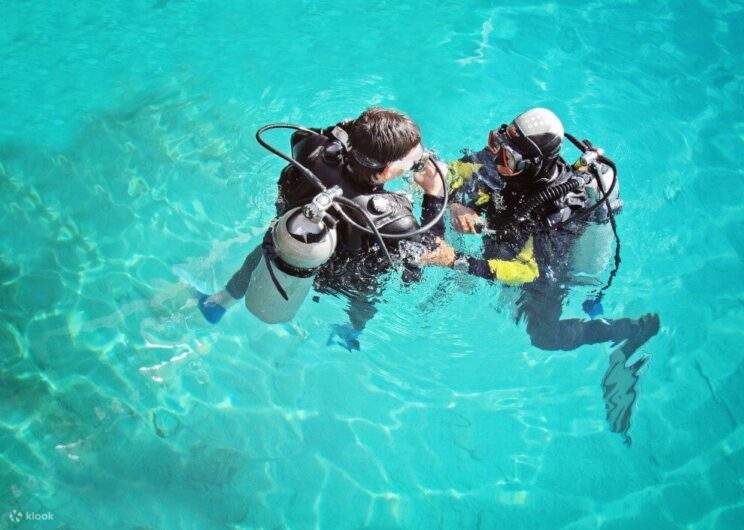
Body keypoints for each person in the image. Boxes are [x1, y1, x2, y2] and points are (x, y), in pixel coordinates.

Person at [420, 107, 659, 442]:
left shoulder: (559, 209)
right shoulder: (498, 159)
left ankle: (629, 331)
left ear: (532, 164)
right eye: (497, 142)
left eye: (509, 157)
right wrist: (457, 204)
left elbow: (527, 272)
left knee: (544, 336)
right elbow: (448, 174)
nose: (497, 158)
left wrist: (456, 260)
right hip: (507, 240)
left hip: (544, 266)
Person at [198, 107, 445, 350]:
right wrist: (434, 194)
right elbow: (428, 252)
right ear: (388, 171)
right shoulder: (394, 219)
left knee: (262, 255)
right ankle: (351, 333)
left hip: (293, 245)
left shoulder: (312, 151)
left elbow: (300, 135)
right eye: (411, 161)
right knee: (364, 297)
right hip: (343, 280)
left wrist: (348, 131)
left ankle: (219, 302)